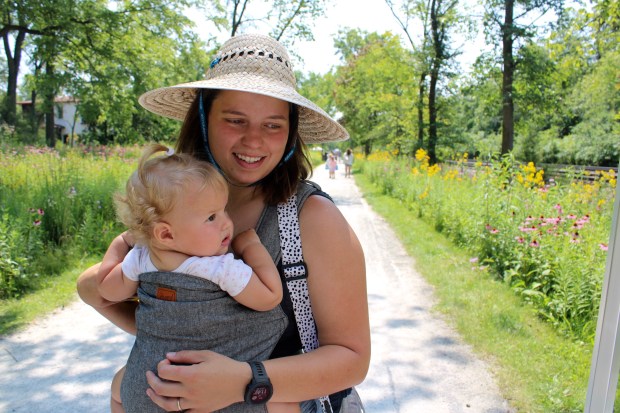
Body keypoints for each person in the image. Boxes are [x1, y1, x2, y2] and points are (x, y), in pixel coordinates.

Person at [77, 33, 370, 413]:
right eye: (235, 120)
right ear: (203, 118)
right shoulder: (172, 202)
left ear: (291, 133)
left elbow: (352, 358)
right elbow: (103, 288)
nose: (254, 141)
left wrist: (244, 381)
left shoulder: (311, 219)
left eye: (273, 125)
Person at [97, 143, 293, 413]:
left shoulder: (141, 259)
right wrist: (252, 248)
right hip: (204, 393)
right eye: (211, 217)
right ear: (165, 234)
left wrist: (120, 242)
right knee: (287, 404)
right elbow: (269, 297)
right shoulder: (219, 268)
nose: (226, 222)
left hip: (145, 386)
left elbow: (108, 289)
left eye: (224, 210)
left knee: (117, 392)